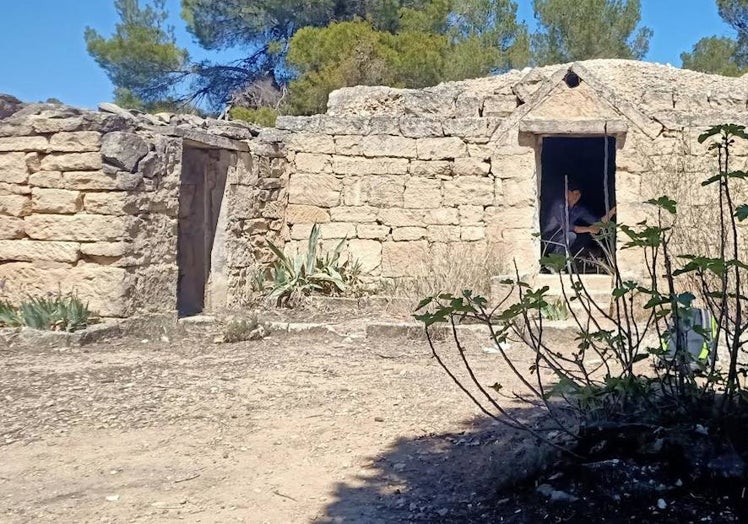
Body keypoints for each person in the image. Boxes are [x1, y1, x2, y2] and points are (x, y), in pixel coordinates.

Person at [542, 181, 617, 258]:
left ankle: (573, 259)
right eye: (574, 194)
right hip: (549, 238)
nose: (576, 197)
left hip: (564, 239)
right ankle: (555, 261)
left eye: (578, 194)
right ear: (567, 193)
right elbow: (565, 227)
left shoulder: (578, 210)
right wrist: (589, 229)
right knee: (571, 235)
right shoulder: (559, 205)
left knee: (585, 237)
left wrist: (612, 212)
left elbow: (598, 223)